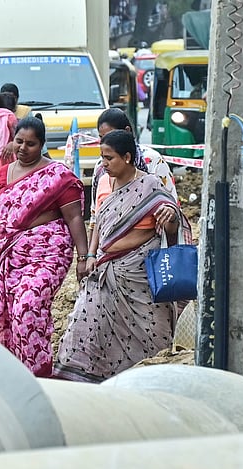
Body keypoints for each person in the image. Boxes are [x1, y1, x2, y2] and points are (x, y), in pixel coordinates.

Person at [55, 130, 187, 384]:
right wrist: (91, 254)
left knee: (150, 334)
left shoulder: (149, 184)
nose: (103, 164)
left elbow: (170, 225)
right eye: (102, 157)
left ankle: (147, 381)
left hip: (138, 274)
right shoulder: (104, 182)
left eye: (109, 158)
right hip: (103, 271)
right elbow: (98, 222)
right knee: (85, 323)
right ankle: (80, 381)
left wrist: (170, 216)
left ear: (127, 157)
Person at [0, 117, 88, 376]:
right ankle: (16, 374)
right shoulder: (2, 174)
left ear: (42, 145)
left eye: (31, 144)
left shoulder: (58, 177)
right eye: (19, 141)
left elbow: (75, 218)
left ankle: (39, 372)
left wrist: (83, 257)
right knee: (10, 314)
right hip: (11, 256)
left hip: (49, 253)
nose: (23, 148)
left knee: (29, 305)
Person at [91, 107, 175, 199]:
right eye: (101, 137)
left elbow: (170, 200)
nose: (106, 142)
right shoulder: (101, 167)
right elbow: (96, 209)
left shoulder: (153, 161)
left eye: (111, 135)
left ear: (127, 131)